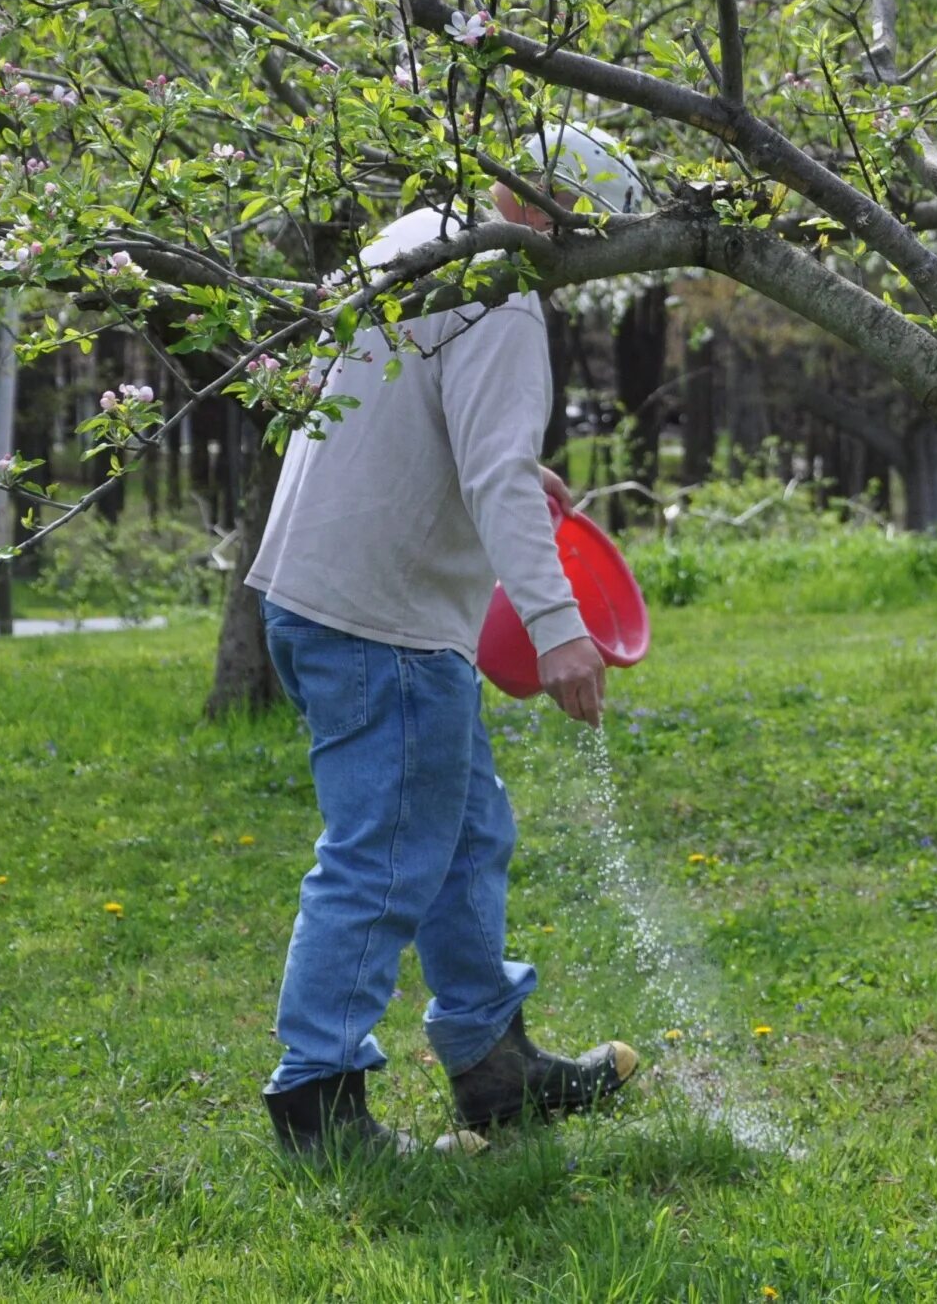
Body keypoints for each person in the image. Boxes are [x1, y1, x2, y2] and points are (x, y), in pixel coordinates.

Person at [243, 127, 645, 1155]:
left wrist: (503, 467)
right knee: (380, 859)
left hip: (324, 591)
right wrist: (558, 629)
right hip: (384, 619)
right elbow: (497, 473)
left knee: (465, 835)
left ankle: (492, 1065)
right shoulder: (504, 295)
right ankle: (318, 1105)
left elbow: (410, 418)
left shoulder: (417, 240)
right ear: (560, 220)